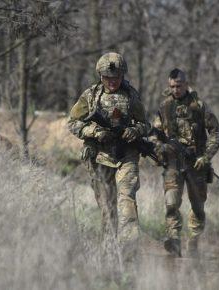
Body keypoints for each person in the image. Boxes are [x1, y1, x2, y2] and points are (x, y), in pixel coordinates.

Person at [67, 52, 149, 258]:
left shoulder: (131, 95)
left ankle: (129, 254)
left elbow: (144, 123)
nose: (112, 81)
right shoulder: (90, 96)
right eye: (108, 77)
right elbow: (73, 123)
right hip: (99, 157)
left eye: (116, 77)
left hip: (126, 156)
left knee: (127, 200)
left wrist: (136, 131)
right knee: (107, 207)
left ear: (122, 75)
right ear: (100, 76)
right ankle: (109, 252)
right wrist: (94, 132)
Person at [151, 68, 219, 257]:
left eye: (179, 86)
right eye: (172, 86)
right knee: (171, 202)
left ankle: (194, 241)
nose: (176, 89)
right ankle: (173, 239)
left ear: (186, 84)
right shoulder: (164, 107)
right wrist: (160, 149)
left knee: (198, 206)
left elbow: (215, 133)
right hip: (173, 163)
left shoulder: (198, 105)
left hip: (196, 164)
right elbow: (154, 134)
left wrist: (206, 157)